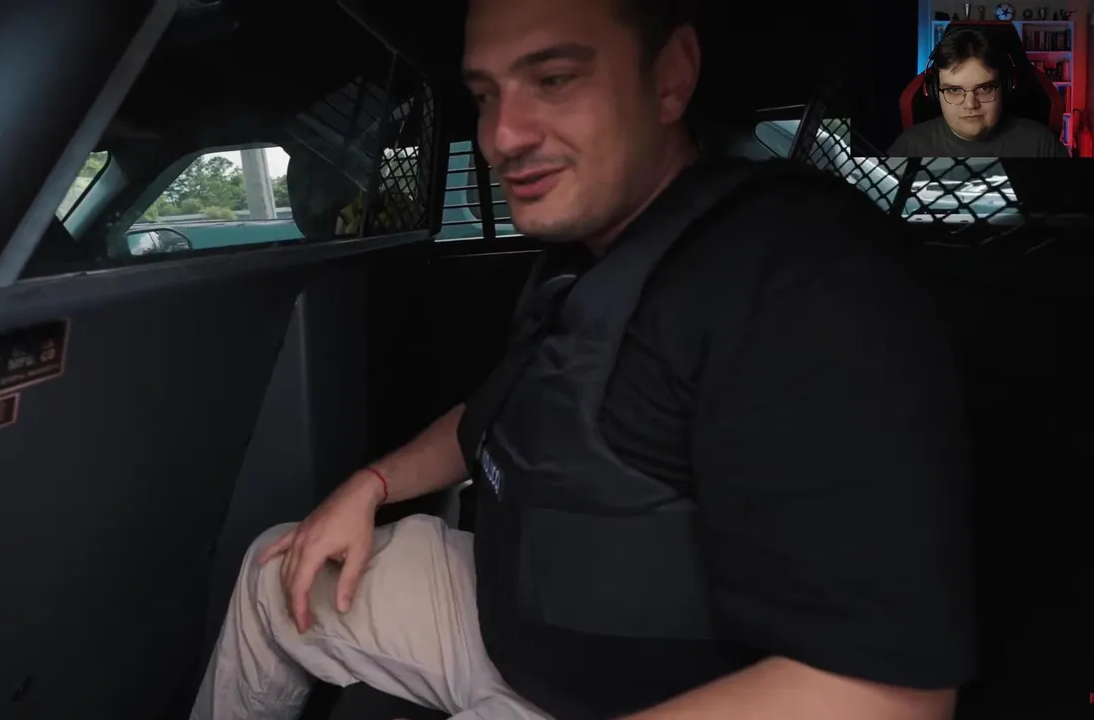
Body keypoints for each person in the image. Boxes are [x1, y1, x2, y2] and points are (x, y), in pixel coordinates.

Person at [191, 0, 978, 718]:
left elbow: (886, 698)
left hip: (634, 698)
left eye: (555, 79)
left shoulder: (795, 282)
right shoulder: (590, 256)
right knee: (276, 574)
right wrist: (371, 484)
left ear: (669, 78)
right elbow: (492, 414)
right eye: (486, 95)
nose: (501, 136)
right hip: (503, 621)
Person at [888, 26, 1069, 157]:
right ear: (935, 92)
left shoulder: (1041, 145)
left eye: (984, 88)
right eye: (954, 90)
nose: (970, 104)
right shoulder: (909, 147)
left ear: (1005, 87)